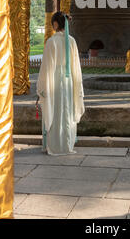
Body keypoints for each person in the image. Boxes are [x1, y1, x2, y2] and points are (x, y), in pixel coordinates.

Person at [36, 12, 85, 155]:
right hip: (69, 82)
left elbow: (46, 67)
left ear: (56, 24)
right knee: (68, 111)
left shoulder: (51, 42)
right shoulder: (72, 41)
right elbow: (76, 66)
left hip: (54, 81)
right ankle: (67, 144)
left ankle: (54, 145)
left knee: (55, 110)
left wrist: (42, 88)